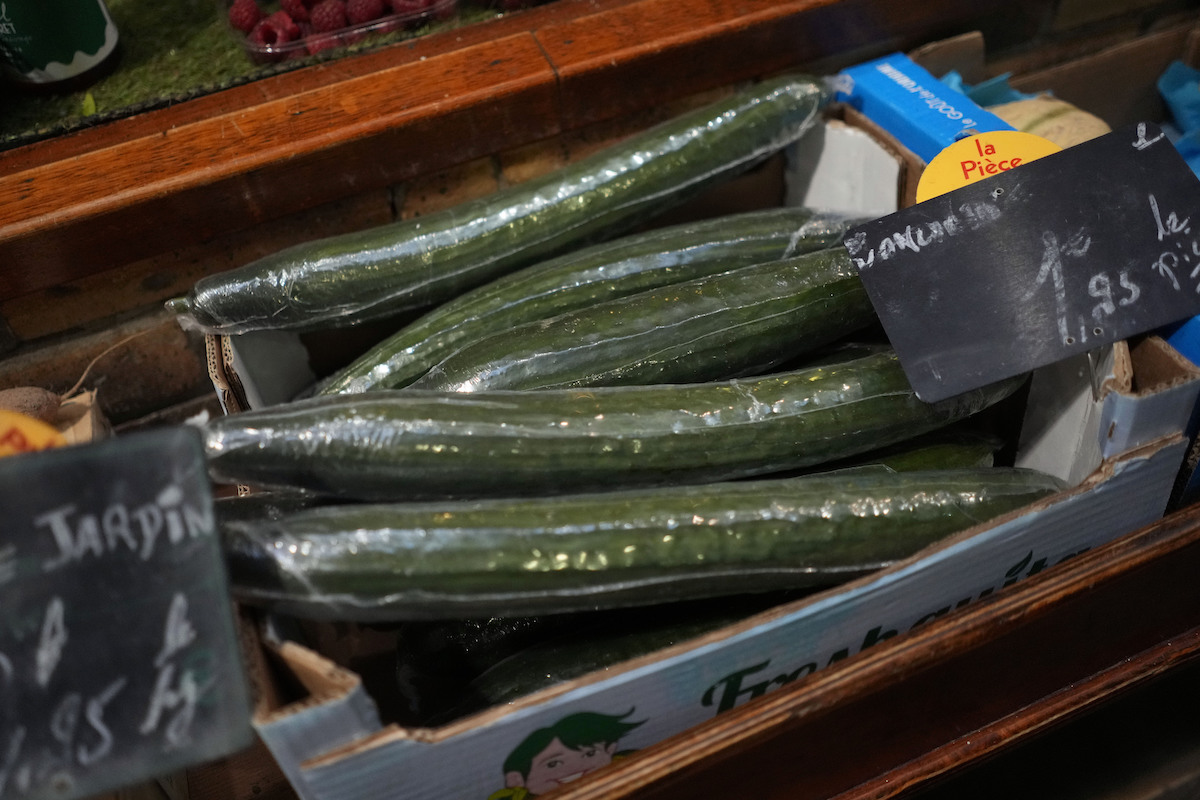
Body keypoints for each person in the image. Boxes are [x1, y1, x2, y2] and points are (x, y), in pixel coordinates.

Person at [488, 708, 645, 799]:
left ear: (610, 749)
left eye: (590, 754)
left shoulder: (628, 763)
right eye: (553, 764)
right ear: (516, 779)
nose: (578, 767)